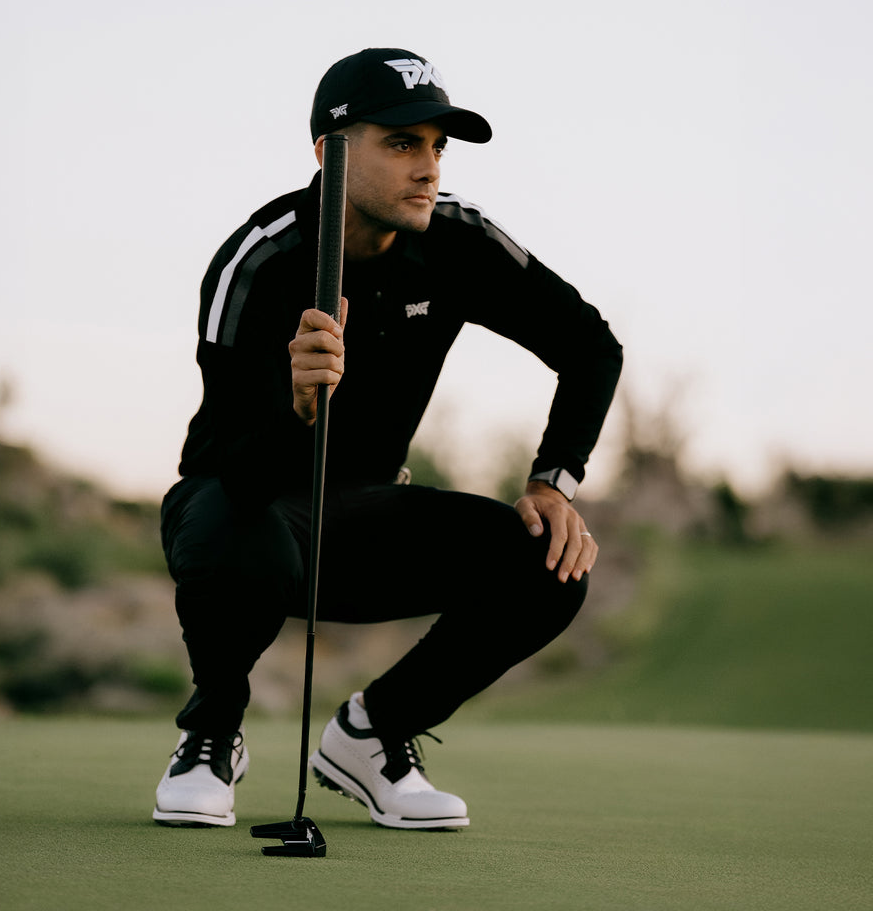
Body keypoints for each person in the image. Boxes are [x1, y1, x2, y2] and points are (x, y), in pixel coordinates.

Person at [152, 48, 623, 830]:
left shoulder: (458, 239)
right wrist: (298, 411)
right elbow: (231, 467)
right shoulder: (260, 259)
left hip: (366, 519)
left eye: (437, 146)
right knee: (235, 530)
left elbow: (592, 347)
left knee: (549, 562)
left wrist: (553, 481)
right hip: (241, 512)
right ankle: (211, 734)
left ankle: (372, 736)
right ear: (329, 152)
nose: (428, 167)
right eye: (402, 143)